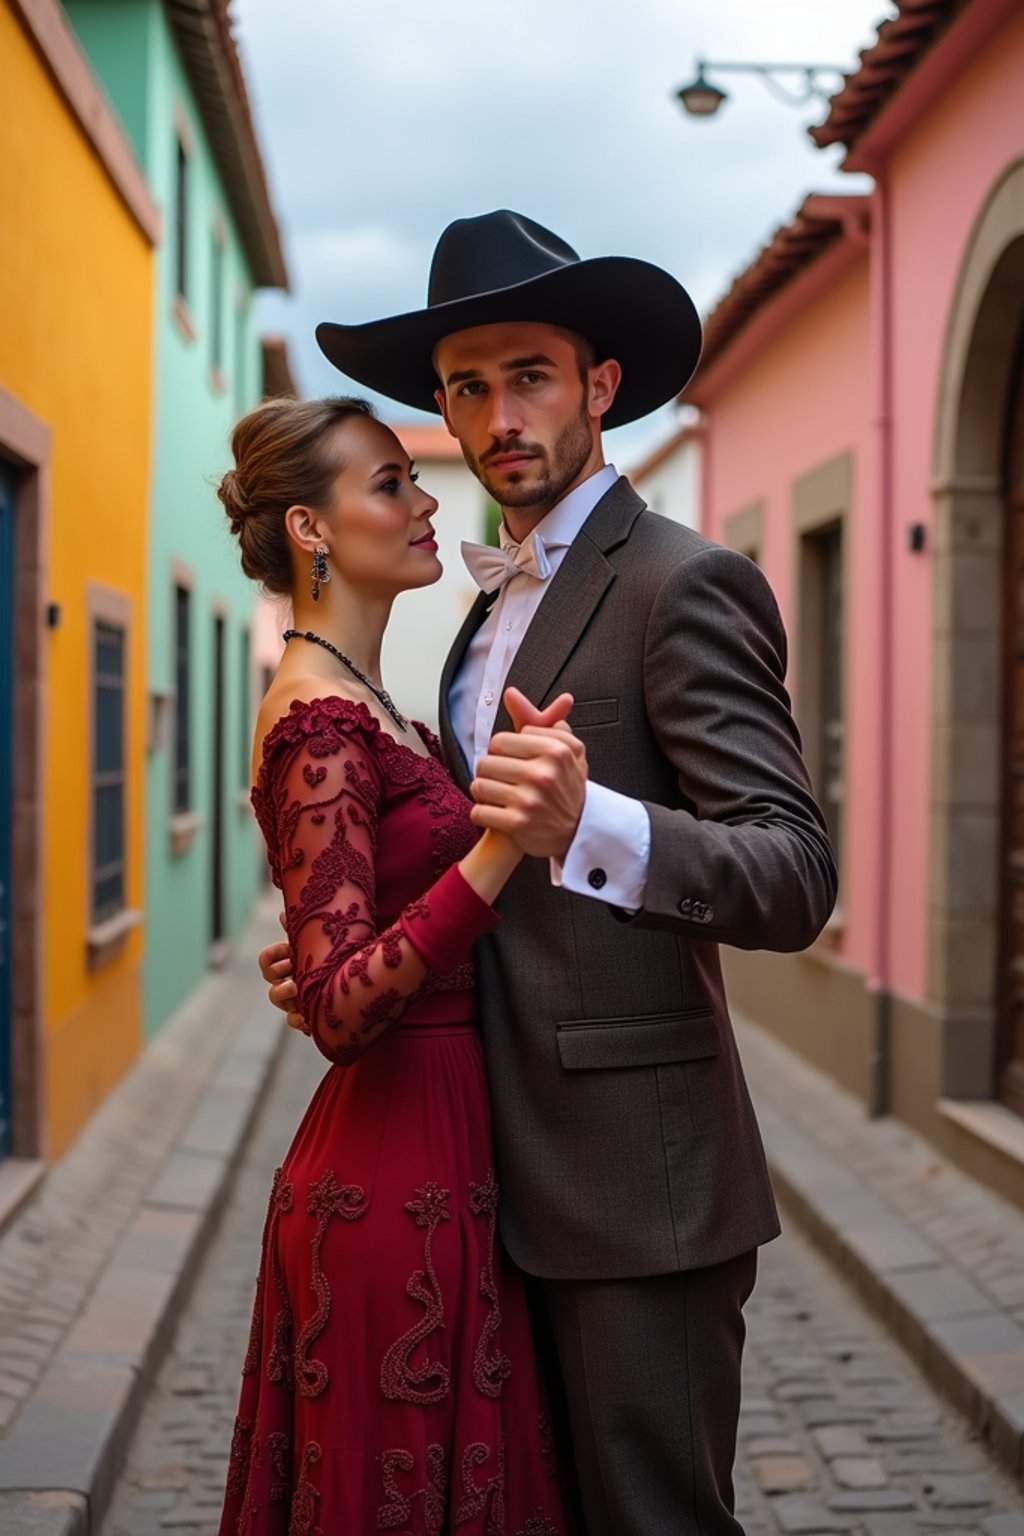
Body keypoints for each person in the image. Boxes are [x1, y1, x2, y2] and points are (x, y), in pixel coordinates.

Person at [262, 210, 838, 1535]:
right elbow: (482, 861)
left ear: (600, 387)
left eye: (530, 375)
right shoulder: (479, 612)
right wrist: (352, 953)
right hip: (477, 1172)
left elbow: (794, 873)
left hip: (636, 1186)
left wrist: (599, 821)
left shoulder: (685, 584)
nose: (498, 412)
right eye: (467, 386)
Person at [216, 394, 567, 1534]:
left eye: (413, 484)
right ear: (312, 530)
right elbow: (337, 1010)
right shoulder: (317, 719)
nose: (423, 503)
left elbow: (347, 942)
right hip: (390, 1171)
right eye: (388, 485)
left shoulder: (377, 706)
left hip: (457, 1144)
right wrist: (503, 844)